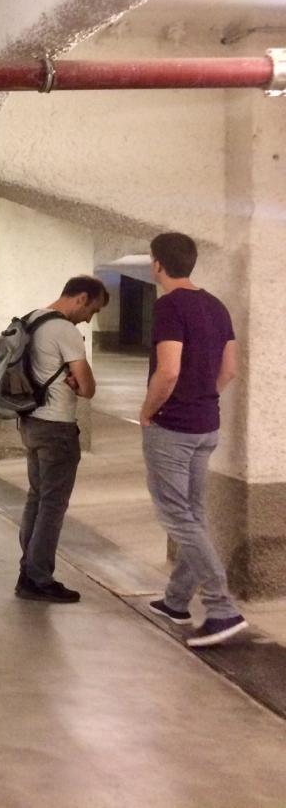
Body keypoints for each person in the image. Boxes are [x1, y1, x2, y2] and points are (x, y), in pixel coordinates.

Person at [139, 233, 247, 648]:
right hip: (207, 424)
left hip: (173, 427)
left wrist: (149, 411)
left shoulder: (169, 306)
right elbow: (230, 369)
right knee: (193, 515)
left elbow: (167, 370)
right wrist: (204, 396)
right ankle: (176, 601)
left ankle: (221, 608)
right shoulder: (216, 306)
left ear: (158, 265)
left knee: (177, 517)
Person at [15, 275, 108, 603]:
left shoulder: (31, 319)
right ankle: (38, 578)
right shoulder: (65, 330)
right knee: (52, 505)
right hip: (56, 428)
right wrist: (77, 381)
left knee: (37, 498)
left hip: (30, 422)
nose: (89, 318)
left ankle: (28, 570)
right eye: (92, 310)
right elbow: (87, 387)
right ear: (82, 298)